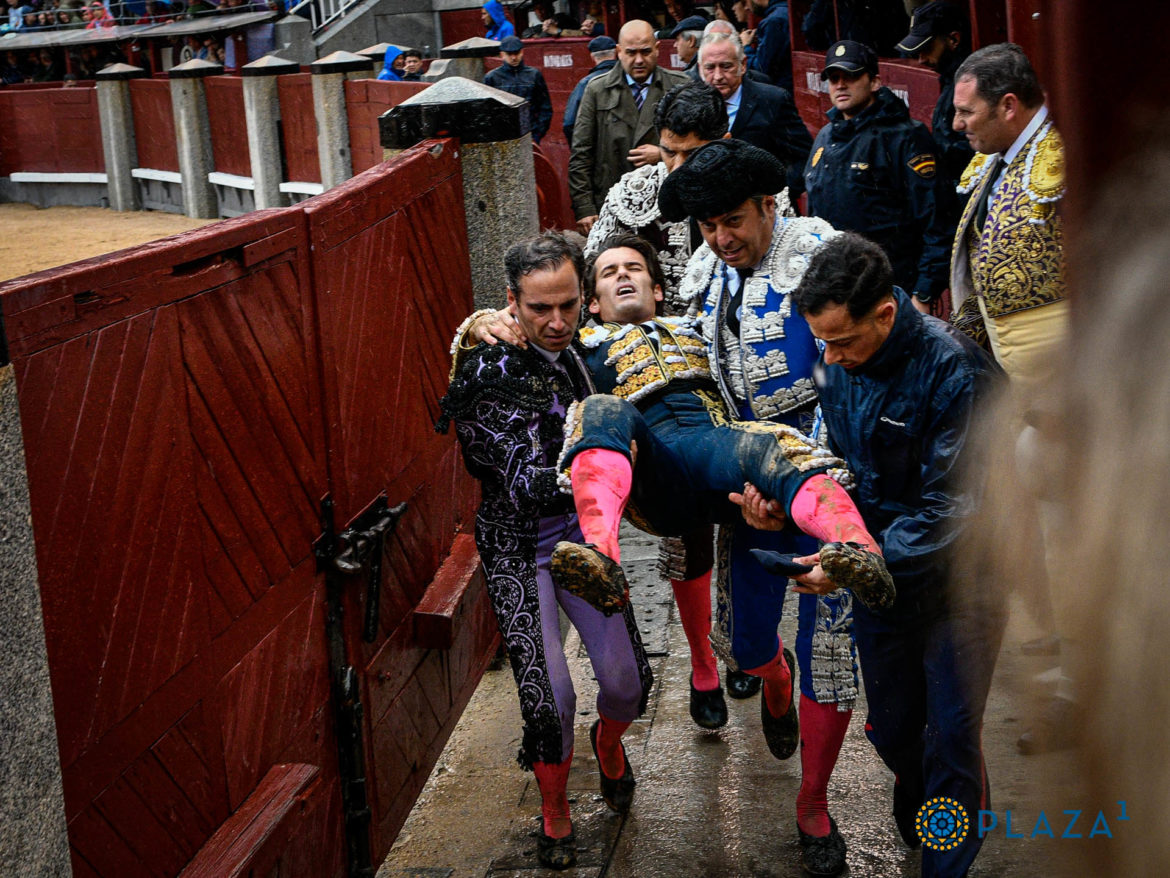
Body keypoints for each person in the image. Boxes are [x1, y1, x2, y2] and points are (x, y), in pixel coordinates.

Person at [744, 231, 1004, 877]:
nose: (828, 357)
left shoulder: (956, 370)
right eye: (821, 342)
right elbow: (832, 453)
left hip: (966, 579)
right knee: (891, 729)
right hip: (882, 578)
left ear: (885, 313)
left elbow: (957, 510)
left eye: (842, 340)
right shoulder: (840, 362)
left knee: (951, 736)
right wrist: (787, 497)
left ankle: (947, 845)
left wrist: (855, 560)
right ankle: (926, 792)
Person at [656, 138, 860, 875]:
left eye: (733, 221)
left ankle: (814, 805)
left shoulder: (820, 252)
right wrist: (738, 475)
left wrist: (802, 476)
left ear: (771, 205)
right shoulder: (706, 267)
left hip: (827, 467)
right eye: (708, 225)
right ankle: (771, 682)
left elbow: (848, 371)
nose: (720, 239)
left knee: (828, 651)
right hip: (745, 476)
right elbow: (695, 376)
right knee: (746, 644)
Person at [436, 233, 653, 872]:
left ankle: (608, 744)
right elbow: (520, 475)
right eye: (539, 310)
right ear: (512, 303)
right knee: (549, 696)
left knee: (627, 682)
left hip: (581, 535)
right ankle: (555, 813)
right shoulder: (485, 367)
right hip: (516, 545)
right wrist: (606, 468)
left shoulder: (581, 349)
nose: (557, 322)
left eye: (568, 305)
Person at [948, 43, 1071, 756]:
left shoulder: (1059, 155)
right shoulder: (1002, 159)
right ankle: (1059, 653)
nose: (958, 125)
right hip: (1011, 377)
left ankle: (1077, 689)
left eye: (968, 113)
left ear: (1009, 107)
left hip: (1060, 384)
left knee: (1065, 527)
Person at [804, 40, 953, 313]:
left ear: (874, 82)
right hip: (837, 294)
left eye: (850, 76)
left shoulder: (905, 137)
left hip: (893, 292)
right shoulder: (826, 137)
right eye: (833, 78)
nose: (840, 85)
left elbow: (937, 220)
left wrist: (924, 292)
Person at [568, 19, 687, 235]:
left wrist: (662, 154)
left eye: (645, 52)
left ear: (658, 50)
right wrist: (584, 207)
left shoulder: (680, 86)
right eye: (631, 53)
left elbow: (698, 147)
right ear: (619, 52)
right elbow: (581, 153)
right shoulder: (597, 90)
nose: (639, 60)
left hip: (667, 208)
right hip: (613, 205)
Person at [698, 30, 812, 197]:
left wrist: (776, 195)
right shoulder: (693, 103)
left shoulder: (773, 100)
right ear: (700, 68)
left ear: (743, 65)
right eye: (710, 68)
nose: (718, 76)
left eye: (726, 66)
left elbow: (805, 157)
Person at [896, 0, 973, 192]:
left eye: (927, 48)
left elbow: (975, 152)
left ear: (953, 40)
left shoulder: (971, 84)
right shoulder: (952, 80)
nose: (921, 59)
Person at [484, 35, 553, 143]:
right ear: (502, 55)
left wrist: (537, 134)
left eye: (516, 53)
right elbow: (488, 112)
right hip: (504, 136)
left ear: (522, 52)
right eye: (509, 54)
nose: (513, 58)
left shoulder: (534, 75)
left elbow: (545, 107)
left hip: (530, 133)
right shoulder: (492, 78)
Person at [561, 35, 616, 143]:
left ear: (592, 57)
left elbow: (569, 123)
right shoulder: (629, 78)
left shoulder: (585, 83)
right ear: (616, 53)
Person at [743, 0, 792, 92]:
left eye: (746, 2)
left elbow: (760, 70)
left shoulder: (773, 21)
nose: (746, 7)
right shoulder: (784, 12)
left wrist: (746, 47)